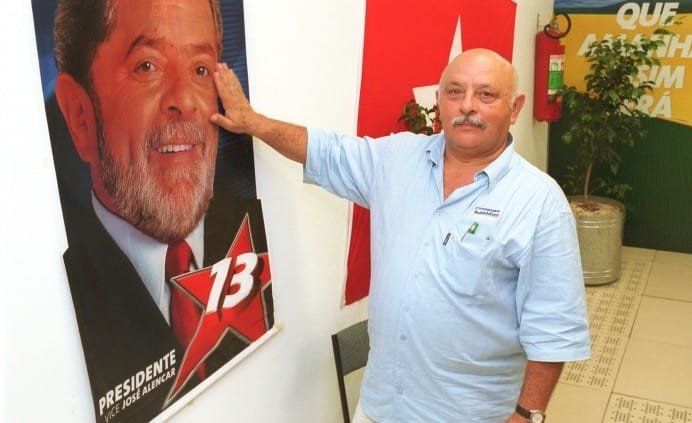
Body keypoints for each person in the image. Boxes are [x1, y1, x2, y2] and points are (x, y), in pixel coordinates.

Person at [211, 48, 591, 422]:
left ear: (515, 107)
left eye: (486, 94)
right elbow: (327, 151)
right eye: (455, 92)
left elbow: (553, 328)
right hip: (382, 405)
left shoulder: (539, 202)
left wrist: (526, 415)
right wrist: (252, 122)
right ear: (439, 100)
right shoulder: (397, 159)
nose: (467, 106)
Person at [52, 1, 271, 421]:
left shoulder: (246, 228)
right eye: (147, 66)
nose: (185, 101)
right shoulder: (58, 306)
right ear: (80, 116)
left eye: (201, 69)